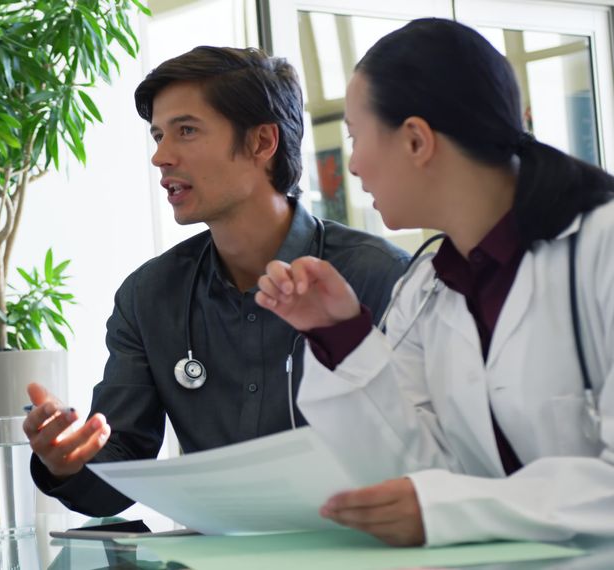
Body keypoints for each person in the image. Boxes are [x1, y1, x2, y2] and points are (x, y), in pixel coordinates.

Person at [255, 18, 614, 547]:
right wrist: (341, 335)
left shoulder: (601, 246)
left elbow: (450, 502)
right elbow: (419, 475)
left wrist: (461, 508)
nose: (351, 165)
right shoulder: (427, 286)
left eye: (356, 137)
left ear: (417, 140)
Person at [23, 46, 410, 516]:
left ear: (262, 143)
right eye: (158, 135)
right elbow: (119, 471)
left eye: (186, 131)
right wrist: (67, 460)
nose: (161, 157)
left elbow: (425, 448)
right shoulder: (147, 297)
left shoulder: (380, 276)